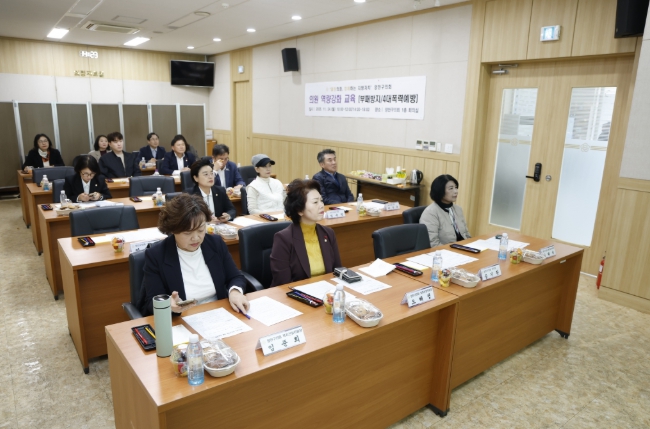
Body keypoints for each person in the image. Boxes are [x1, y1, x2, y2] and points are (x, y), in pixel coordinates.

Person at [138, 193, 248, 317]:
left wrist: (235, 292)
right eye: (187, 233)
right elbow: (151, 301)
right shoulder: (156, 255)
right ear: (173, 230)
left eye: (201, 230)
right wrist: (168, 305)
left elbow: (235, 276)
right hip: (182, 318)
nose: (196, 238)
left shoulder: (215, 243)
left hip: (219, 312)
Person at [270, 179, 342, 286]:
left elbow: (337, 271)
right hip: (296, 293)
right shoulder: (283, 239)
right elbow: (283, 284)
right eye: (315, 202)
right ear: (299, 210)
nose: (321, 205)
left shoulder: (328, 233)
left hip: (326, 290)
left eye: (321, 200)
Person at [419, 174, 471, 248]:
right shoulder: (430, 213)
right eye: (451, 188)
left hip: (463, 248)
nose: (456, 191)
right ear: (440, 191)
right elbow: (433, 243)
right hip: (445, 251)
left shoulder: (458, 209)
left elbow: (466, 234)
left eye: (456, 187)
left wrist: (471, 246)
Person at [188, 158, 236, 223]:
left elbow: (232, 210)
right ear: (196, 178)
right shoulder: (189, 195)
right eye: (206, 174)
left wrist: (228, 216)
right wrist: (207, 222)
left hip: (219, 227)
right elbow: (188, 219)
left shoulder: (220, 191)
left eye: (211, 173)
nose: (210, 177)